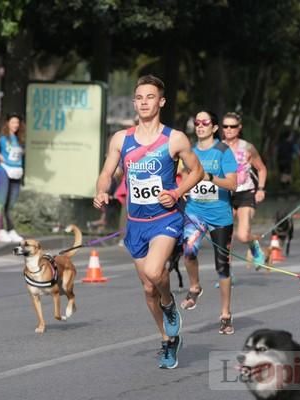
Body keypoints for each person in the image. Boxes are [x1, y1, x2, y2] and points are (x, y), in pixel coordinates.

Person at [93, 75, 203, 369]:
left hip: (165, 219)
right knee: (147, 288)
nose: (144, 102)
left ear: (161, 102)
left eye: (150, 97)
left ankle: (169, 305)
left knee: (156, 272)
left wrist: (177, 191)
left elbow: (197, 171)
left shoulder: (174, 138)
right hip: (136, 223)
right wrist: (101, 191)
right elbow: (106, 172)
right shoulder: (121, 139)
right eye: (139, 97)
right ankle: (168, 340)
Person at [179, 111, 238, 334]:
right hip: (195, 212)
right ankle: (195, 287)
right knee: (189, 250)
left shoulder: (223, 152)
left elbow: (233, 184)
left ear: (214, 128)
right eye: (197, 122)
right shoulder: (190, 151)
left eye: (205, 122)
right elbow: (186, 174)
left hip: (220, 216)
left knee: (222, 266)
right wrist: (184, 188)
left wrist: (210, 178)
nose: (200, 125)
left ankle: (225, 314)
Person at [221, 112, 268, 266]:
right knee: (224, 238)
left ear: (239, 128)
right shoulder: (217, 148)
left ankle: (253, 244)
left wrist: (261, 189)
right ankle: (226, 274)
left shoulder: (247, 147)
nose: (228, 129)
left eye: (232, 126)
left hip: (245, 193)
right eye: (225, 126)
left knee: (242, 236)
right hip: (225, 194)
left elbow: (261, 169)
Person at [0, 113, 26, 242]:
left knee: (10, 204)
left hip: (17, 172)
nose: (15, 125)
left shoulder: (20, 139)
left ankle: (10, 229)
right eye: (13, 122)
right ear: (7, 123)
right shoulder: (2, 138)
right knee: (0, 202)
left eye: (17, 123)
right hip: (4, 171)